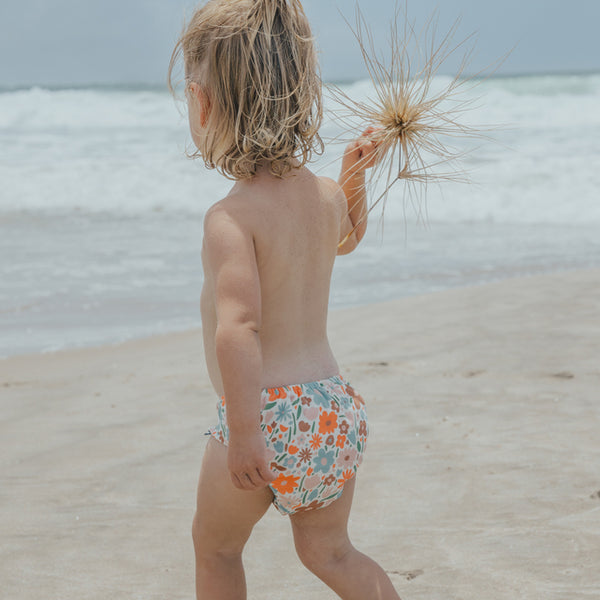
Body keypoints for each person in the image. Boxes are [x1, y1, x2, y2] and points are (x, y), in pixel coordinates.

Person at [169, 1, 401, 598]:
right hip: (332, 410)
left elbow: (238, 328)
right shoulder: (323, 196)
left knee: (216, 549)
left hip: (266, 415)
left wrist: (245, 432)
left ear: (204, 105)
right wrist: (353, 173)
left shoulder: (230, 217)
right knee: (331, 552)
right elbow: (345, 238)